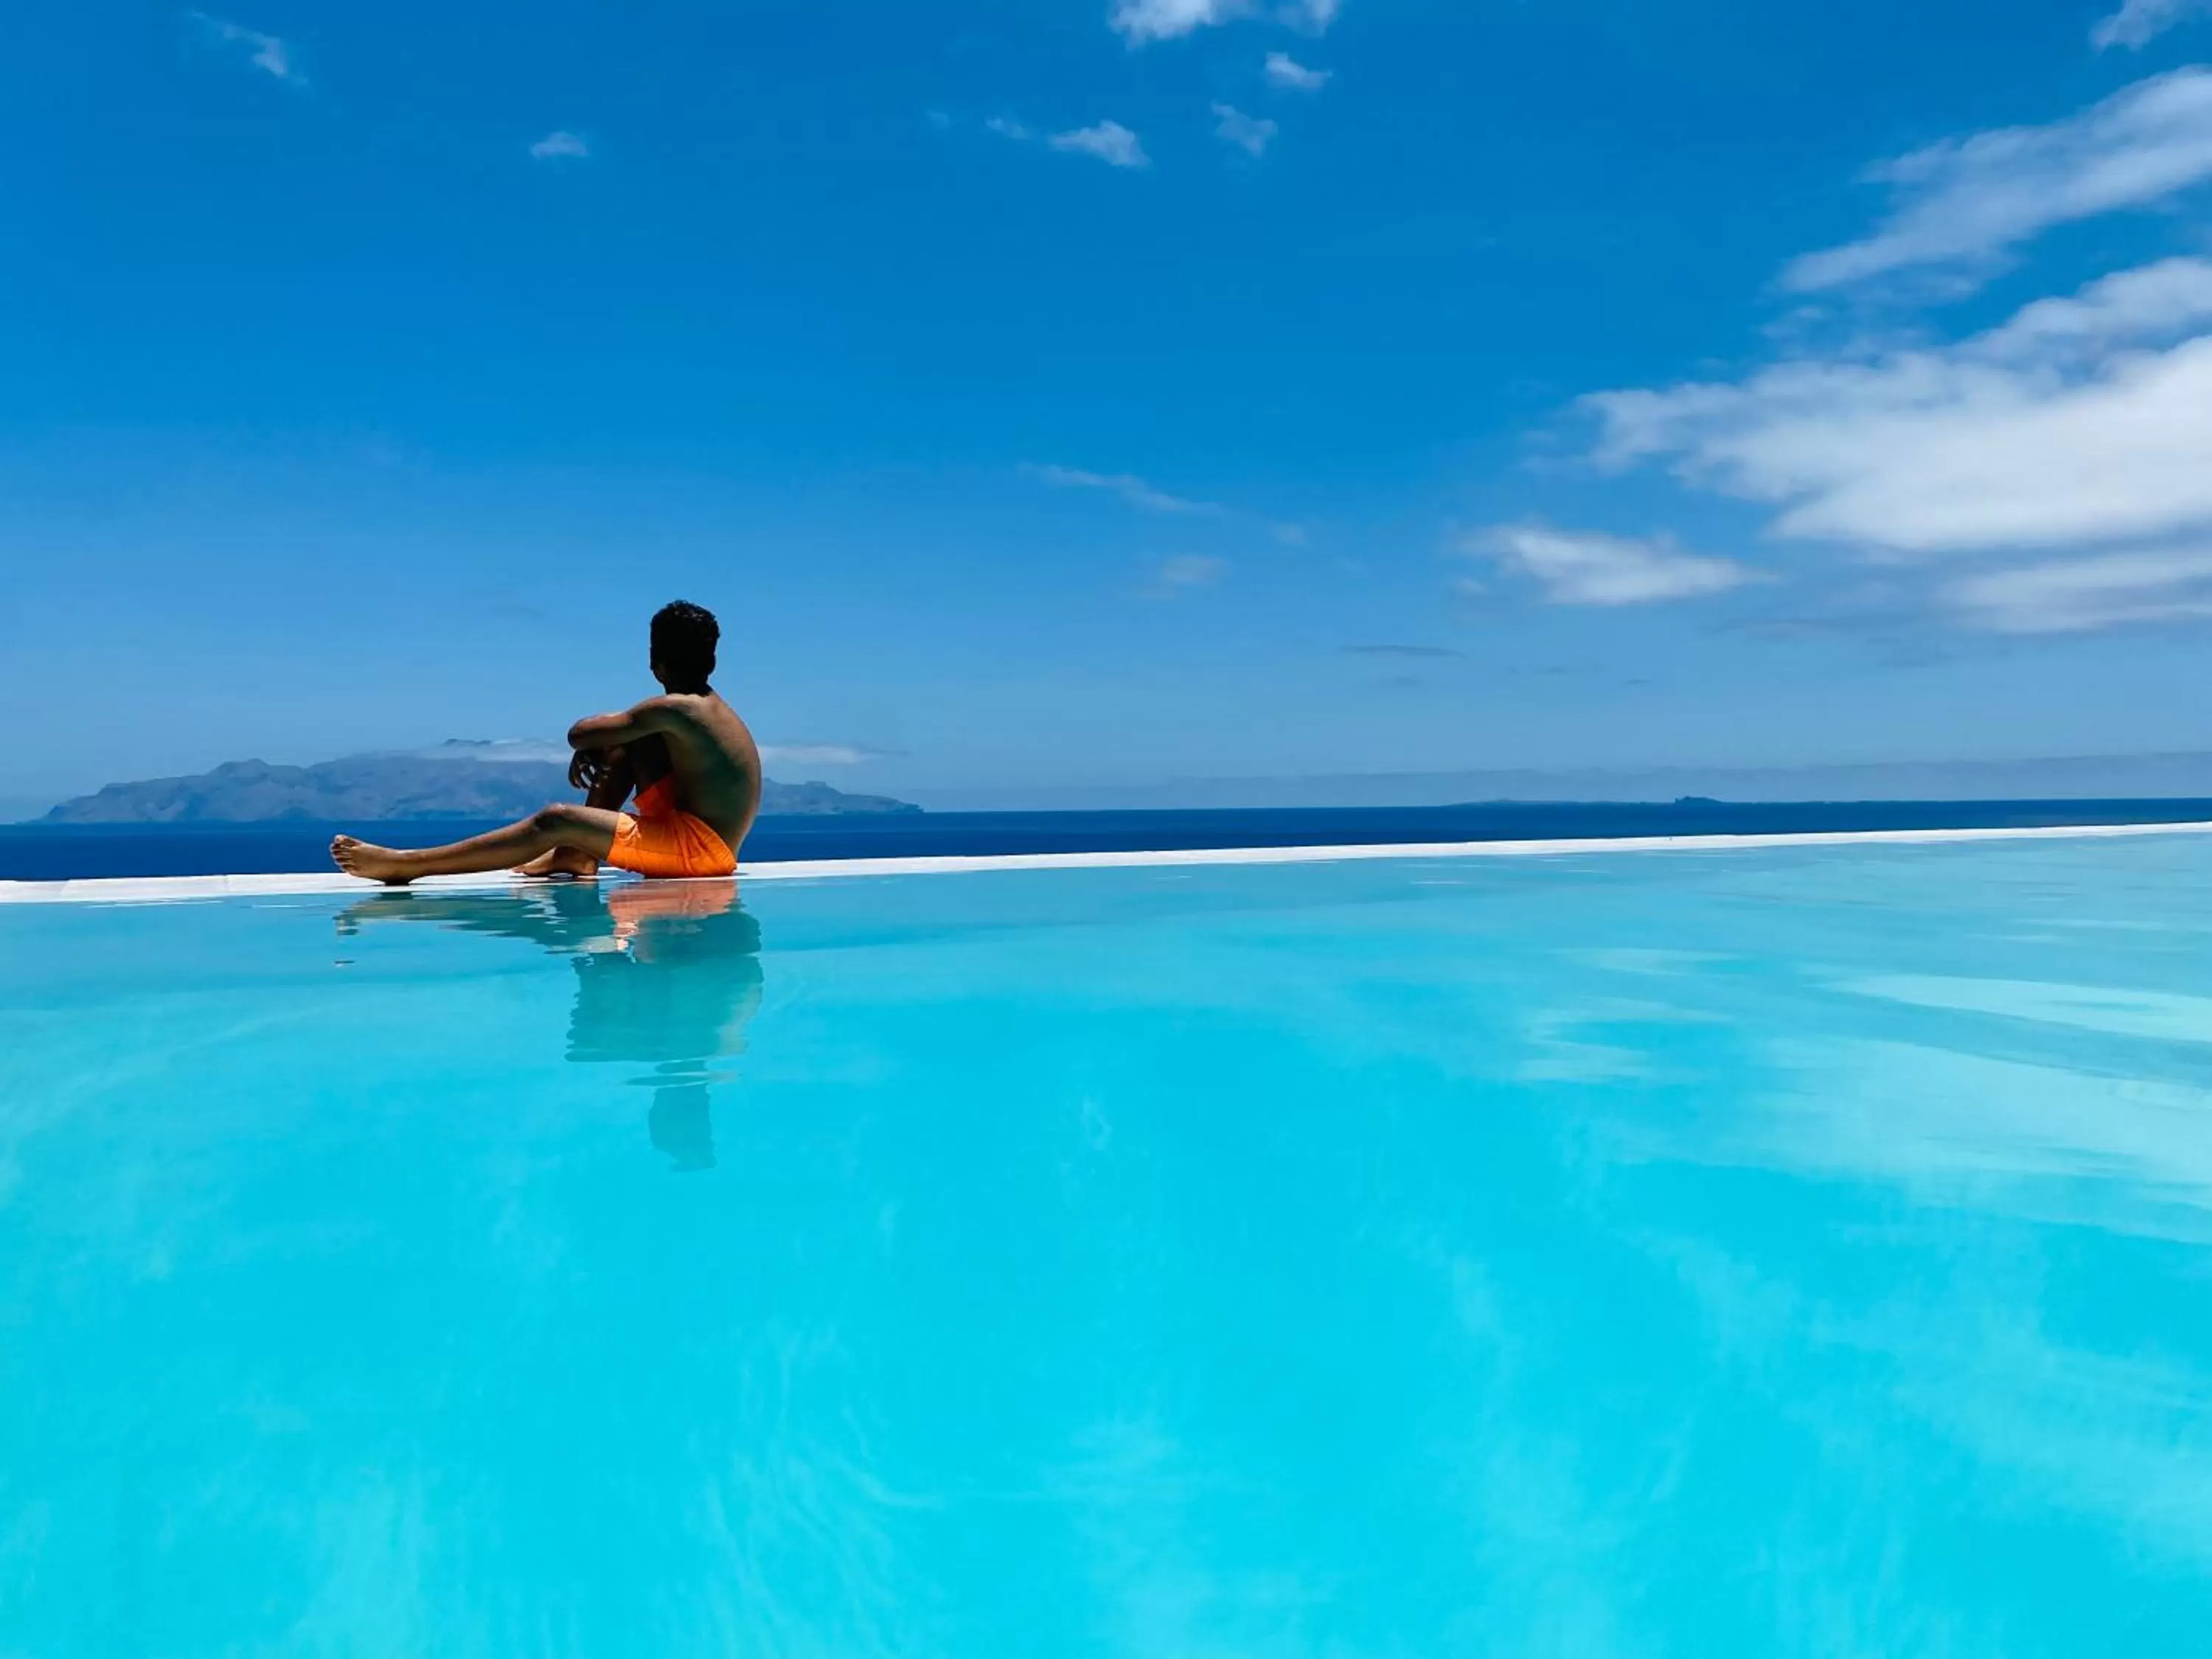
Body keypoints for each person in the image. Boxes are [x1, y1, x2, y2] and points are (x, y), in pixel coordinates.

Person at [331, 600, 762, 885]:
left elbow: (580, 733)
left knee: (555, 818)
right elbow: (616, 735)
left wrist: (592, 746)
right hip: (706, 844)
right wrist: (610, 747)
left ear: (655, 661)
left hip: (699, 854)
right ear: (712, 658)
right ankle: (577, 856)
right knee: (633, 743)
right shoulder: (708, 710)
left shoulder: (678, 710)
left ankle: (406, 864)